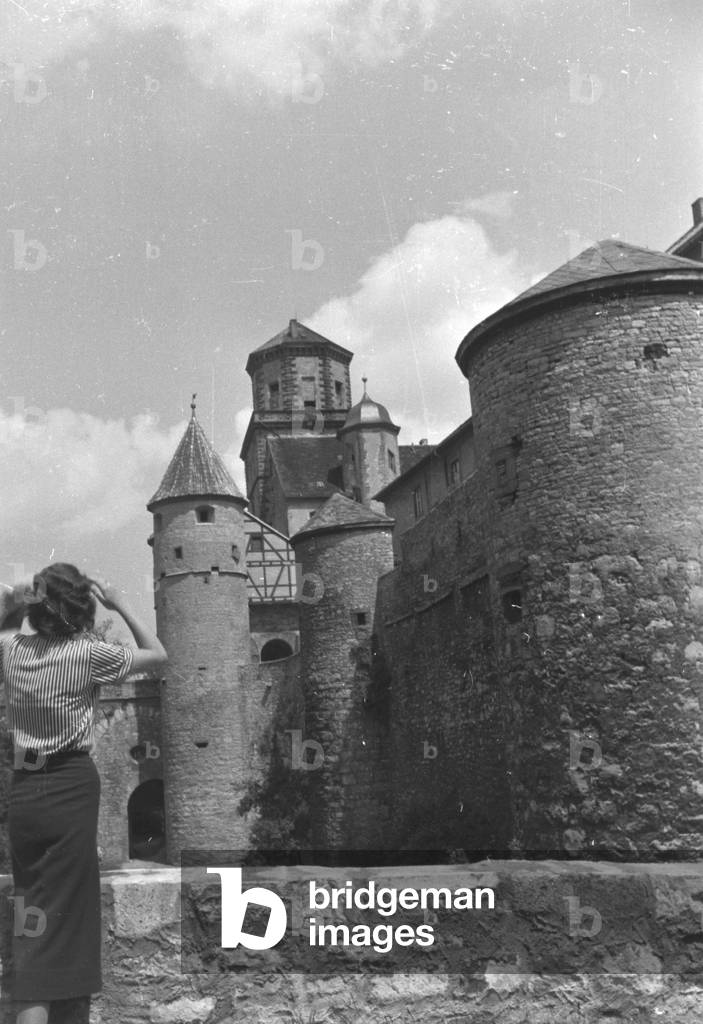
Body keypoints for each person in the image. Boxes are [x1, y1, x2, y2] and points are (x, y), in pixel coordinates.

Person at [0, 563, 167, 1024]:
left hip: (26, 788)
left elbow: (6, 618)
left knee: (31, 914)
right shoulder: (87, 654)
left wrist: (20, 596)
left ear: (38, 607)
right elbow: (158, 655)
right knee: (71, 916)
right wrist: (121, 601)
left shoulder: (11, 651)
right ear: (83, 607)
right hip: (70, 786)